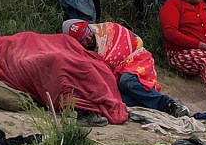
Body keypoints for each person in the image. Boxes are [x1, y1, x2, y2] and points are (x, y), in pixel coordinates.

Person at [62, 18, 192, 119]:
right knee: (116, 100)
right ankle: (157, 103)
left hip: (136, 59)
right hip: (114, 76)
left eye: (88, 33)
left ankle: (168, 103)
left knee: (127, 81)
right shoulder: (81, 54)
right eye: (83, 40)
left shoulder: (108, 29)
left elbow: (136, 41)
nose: (89, 39)